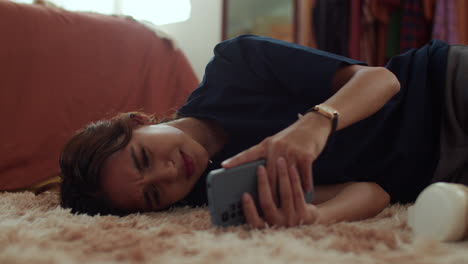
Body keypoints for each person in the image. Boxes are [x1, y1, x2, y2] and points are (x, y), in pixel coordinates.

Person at [59, 34, 466, 228]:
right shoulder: (220, 192)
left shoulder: (235, 65)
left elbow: (382, 81)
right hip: (441, 176)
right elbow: (375, 192)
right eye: (153, 194)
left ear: (139, 121)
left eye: (143, 157)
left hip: (441, 91)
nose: (168, 174)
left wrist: (316, 123)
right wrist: (314, 217)